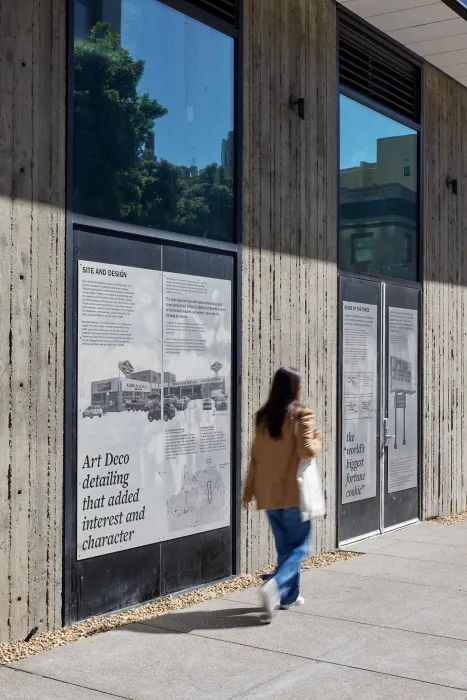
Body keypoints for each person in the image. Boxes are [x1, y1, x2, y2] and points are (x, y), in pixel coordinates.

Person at [242, 367, 321, 622]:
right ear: (295, 389)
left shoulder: (263, 419)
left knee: (285, 548)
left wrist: (248, 492)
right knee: (300, 547)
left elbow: (255, 459)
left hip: (269, 495)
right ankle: (274, 585)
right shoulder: (301, 416)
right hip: (292, 495)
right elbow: (307, 451)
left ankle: (289, 597)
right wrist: (318, 438)